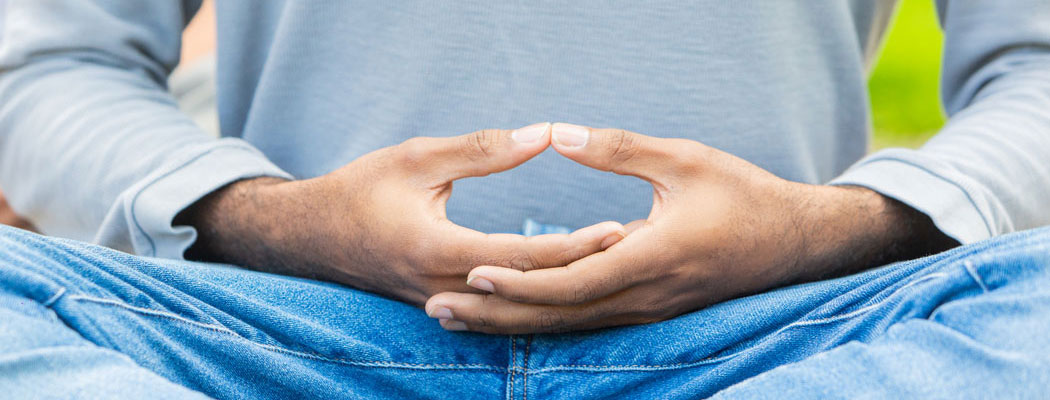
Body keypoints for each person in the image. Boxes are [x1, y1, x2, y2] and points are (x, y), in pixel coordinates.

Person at [1, 1, 1048, 398]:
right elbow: (51, 59)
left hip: (767, 342)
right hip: (296, 335)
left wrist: (826, 233)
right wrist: (274, 220)